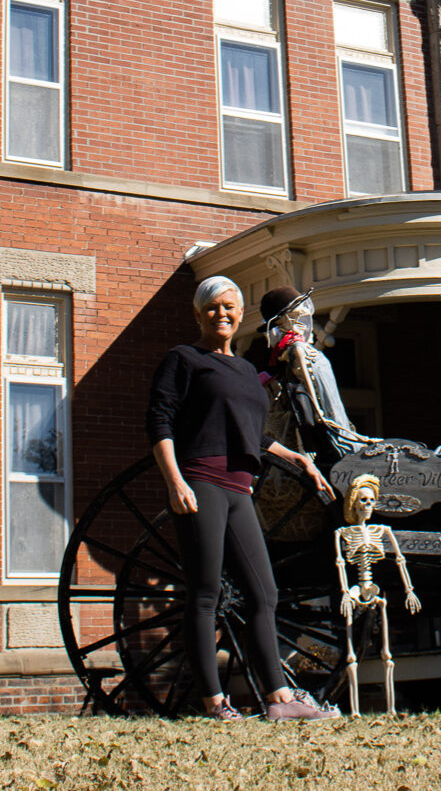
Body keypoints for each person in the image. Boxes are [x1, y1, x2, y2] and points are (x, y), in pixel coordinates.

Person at [149, 275, 337, 720]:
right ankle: (215, 704)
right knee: (205, 593)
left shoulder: (248, 373)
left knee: (263, 592)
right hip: (201, 482)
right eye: (213, 306)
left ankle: (278, 701)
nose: (222, 313)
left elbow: (256, 435)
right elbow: (160, 422)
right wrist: (174, 480)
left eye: (230, 306)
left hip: (238, 489)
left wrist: (302, 460)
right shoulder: (184, 359)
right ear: (198, 313)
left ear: (240, 315)